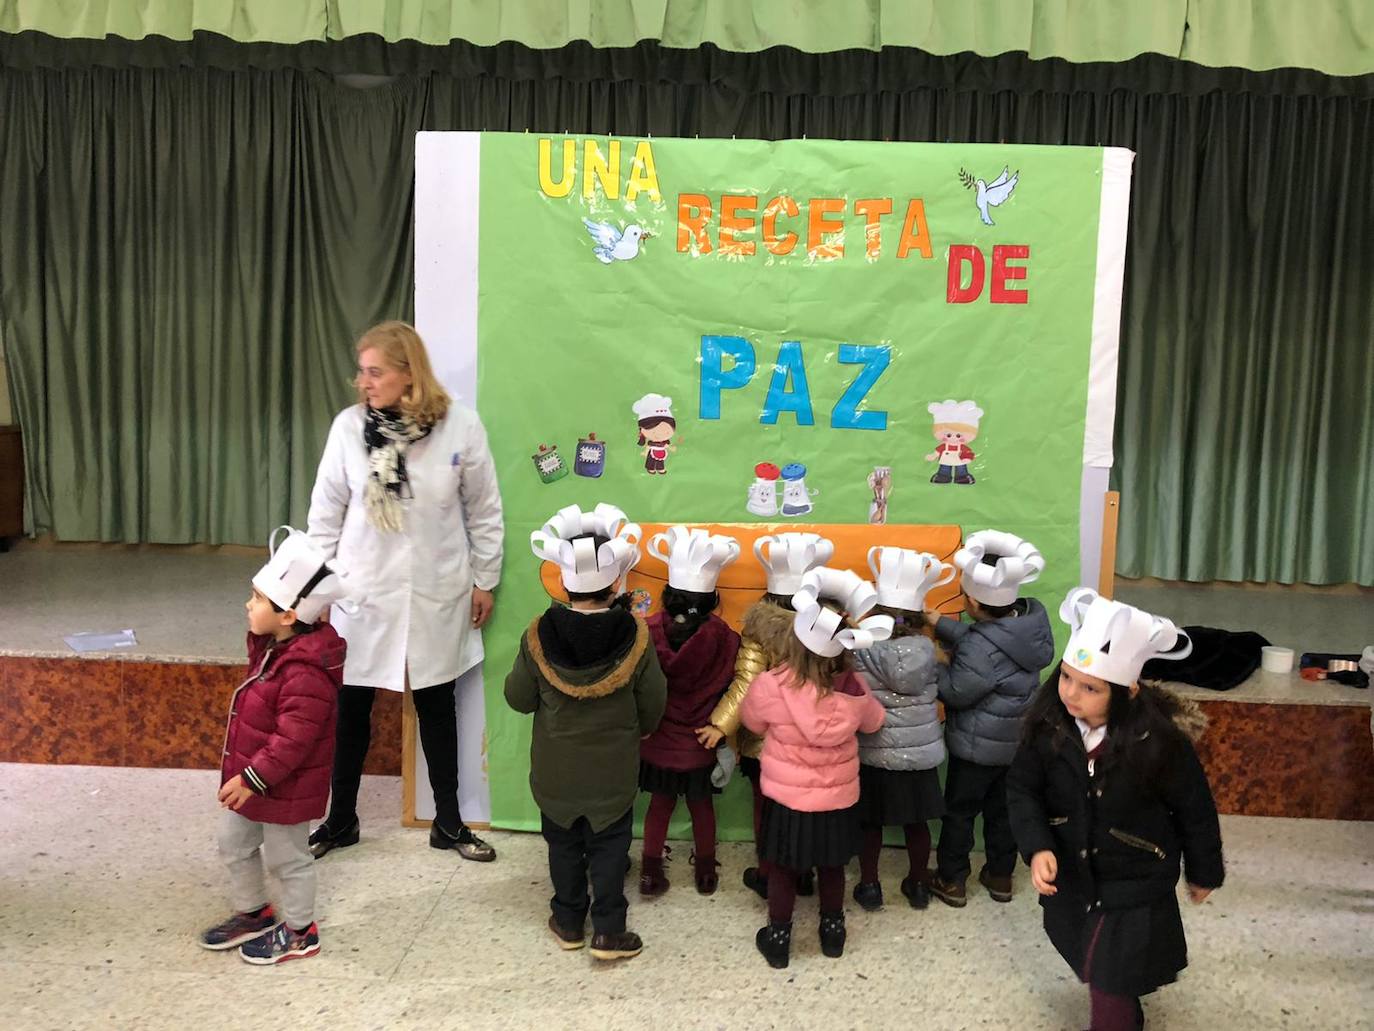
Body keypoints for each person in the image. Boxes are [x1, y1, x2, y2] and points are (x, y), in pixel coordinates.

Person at [306, 321, 503, 862]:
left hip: (437, 587)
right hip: (362, 590)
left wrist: (486, 577)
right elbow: (324, 515)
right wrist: (317, 593)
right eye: (362, 372)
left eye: (375, 372)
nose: (363, 383)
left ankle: (449, 824)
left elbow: (484, 510)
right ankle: (340, 820)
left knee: (438, 703)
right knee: (352, 707)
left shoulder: (460, 427)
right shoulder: (350, 428)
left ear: (408, 374)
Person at [1007, 588, 1224, 1031]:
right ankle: (1122, 998)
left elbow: (1194, 808)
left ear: (1126, 690)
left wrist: (1204, 872)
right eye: (1066, 678)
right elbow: (1022, 790)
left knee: (1106, 974)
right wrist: (1038, 847)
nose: (1072, 694)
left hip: (1136, 875)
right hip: (1072, 872)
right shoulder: (1047, 729)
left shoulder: (1159, 742)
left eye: (1090, 688)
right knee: (1088, 955)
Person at [506, 503, 667, 961]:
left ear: (563, 579)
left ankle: (570, 920)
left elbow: (518, 698)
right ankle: (609, 930)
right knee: (611, 845)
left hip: (556, 770)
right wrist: (643, 731)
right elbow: (653, 703)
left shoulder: (537, 634)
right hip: (613, 771)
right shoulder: (635, 635)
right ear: (616, 581)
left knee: (562, 843)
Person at [199, 528, 349, 964]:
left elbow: (293, 741)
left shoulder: (305, 673)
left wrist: (250, 777)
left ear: (287, 616)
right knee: (234, 842)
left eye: (258, 598)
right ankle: (255, 913)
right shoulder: (273, 649)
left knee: (289, 860)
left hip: (283, 788)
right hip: (254, 781)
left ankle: (301, 932)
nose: (249, 604)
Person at [741, 567, 889, 969]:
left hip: (787, 799)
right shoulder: (856, 690)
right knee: (832, 867)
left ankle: (778, 938)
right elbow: (875, 723)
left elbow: (752, 722)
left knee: (784, 871)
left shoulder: (773, 685)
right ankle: (832, 933)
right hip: (837, 800)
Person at [697, 531, 834, 899]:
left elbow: (746, 683)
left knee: (767, 813)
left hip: (767, 747)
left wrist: (719, 725)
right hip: (814, 741)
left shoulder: (758, 631)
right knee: (805, 812)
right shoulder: (826, 629)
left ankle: (769, 872)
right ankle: (803, 874)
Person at [924, 530, 1054, 906]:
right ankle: (1000, 876)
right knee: (1004, 813)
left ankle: (951, 879)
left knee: (960, 814)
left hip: (977, 750)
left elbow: (956, 691)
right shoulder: (1029, 623)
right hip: (1016, 746)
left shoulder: (980, 646)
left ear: (972, 603)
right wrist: (941, 624)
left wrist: (936, 661)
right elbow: (990, 640)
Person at [637, 527, 741, 897]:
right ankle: (706, 873)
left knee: (659, 807)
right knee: (701, 807)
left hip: (658, 743)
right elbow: (736, 684)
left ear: (668, 596)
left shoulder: (644, 632)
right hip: (701, 742)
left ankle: (649, 872)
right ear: (713, 599)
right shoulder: (726, 638)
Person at [851, 547, 950, 911]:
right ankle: (919, 885)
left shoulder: (861, 649)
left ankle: (870, 885)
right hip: (920, 754)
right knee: (917, 823)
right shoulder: (928, 650)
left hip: (874, 751)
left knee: (870, 823)